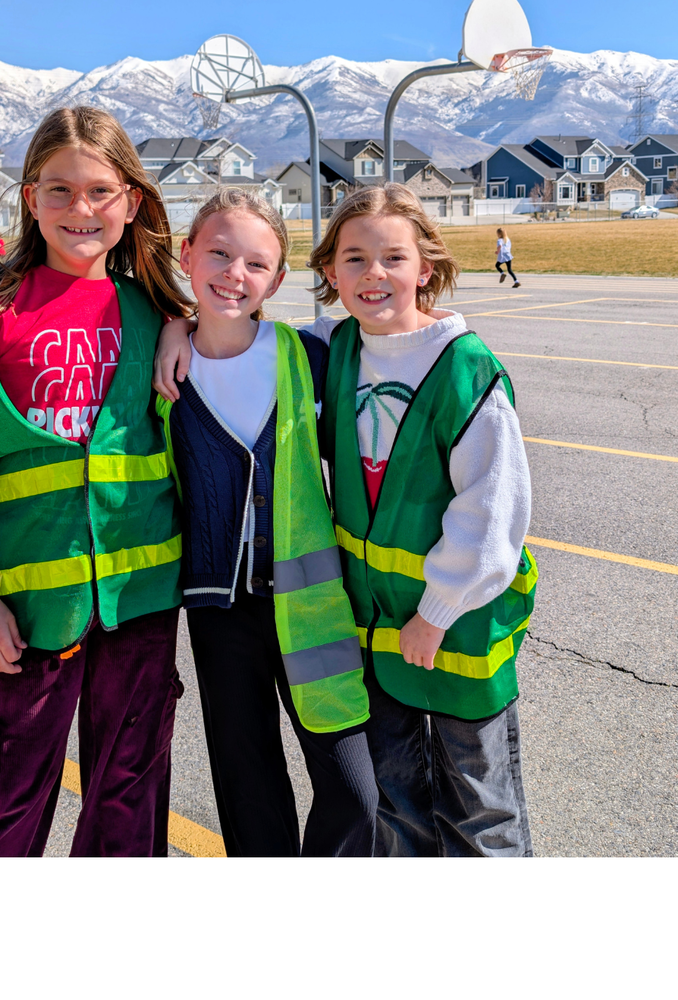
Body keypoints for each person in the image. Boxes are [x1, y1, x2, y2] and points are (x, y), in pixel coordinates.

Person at [0, 105, 192, 858]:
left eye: (101, 191)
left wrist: (179, 318)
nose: (82, 209)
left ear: (131, 202)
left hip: (139, 603)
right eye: (59, 190)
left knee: (127, 798)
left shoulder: (154, 311)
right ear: (30, 198)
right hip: (27, 608)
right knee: (8, 801)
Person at [308, 184, 536, 857]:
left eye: (391, 257)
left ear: (425, 268)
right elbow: (242, 339)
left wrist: (435, 611)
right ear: (329, 273)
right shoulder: (334, 350)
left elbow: (490, 508)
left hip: (453, 624)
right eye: (353, 259)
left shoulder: (466, 370)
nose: (372, 274)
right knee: (395, 801)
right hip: (374, 629)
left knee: (481, 805)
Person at [153, 189, 377, 857]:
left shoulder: (310, 354)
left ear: (277, 279)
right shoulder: (160, 372)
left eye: (256, 264)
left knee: (356, 793)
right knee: (248, 792)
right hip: (219, 615)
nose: (234, 274)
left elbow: (403, 333)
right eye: (218, 254)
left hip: (313, 607)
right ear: (187, 255)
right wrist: (173, 325)